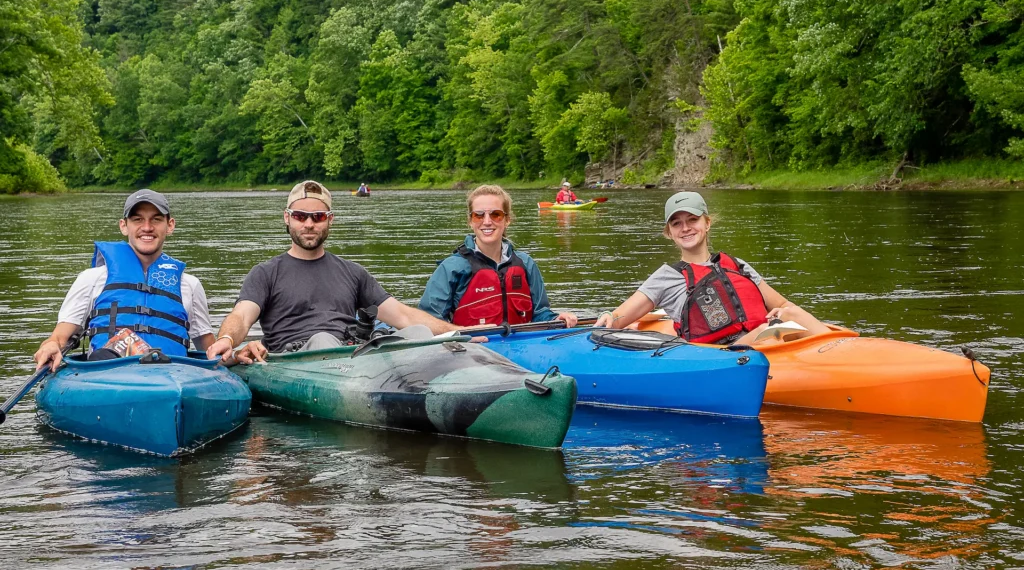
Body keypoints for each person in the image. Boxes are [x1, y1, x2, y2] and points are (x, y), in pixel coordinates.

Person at [208, 180, 462, 364]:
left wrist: (459, 331)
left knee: (418, 333)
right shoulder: (265, 273)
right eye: (300, 216)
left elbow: (404, 316)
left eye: (318, 217)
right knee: (323, 340)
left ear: (330, 220)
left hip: (349, 356)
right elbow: (242, 316)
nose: (309, 224)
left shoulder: (353, 273)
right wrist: (228, 339)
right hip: (296, 359)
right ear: (287, 218)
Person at [594, 191, 829, 345]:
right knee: (770, 335)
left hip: (763, 337)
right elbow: (617, 318)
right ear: (670, 233)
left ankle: (840, 349)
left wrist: (781, 315)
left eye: (692, 220)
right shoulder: (666, 277)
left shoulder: (737, 265)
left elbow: (782, 304)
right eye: (677, 223)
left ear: (707, 223)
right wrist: (609, 316)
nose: (685, 228)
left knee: (790, 314)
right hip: (724, 354)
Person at [33, 189, 216, 371]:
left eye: (156, 219)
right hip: (109, 376)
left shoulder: (190, 285)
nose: (147, 227)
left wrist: (232, 355)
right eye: (137, 219)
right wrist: (50, 345)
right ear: (123, 226)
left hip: (173, 376)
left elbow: (210, 350)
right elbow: (59, 337)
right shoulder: (92, 279)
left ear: (170, 226)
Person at [418, 184, 578, 328]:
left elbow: (540, 314)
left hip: (520, 348)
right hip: (472, 353)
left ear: (507, 220)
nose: (487, 221)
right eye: (478, 215)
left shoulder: (526, 263)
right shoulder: (451, 268)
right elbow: (430, 321)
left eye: (496, 215)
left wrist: (556, 318)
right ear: (470, 221)